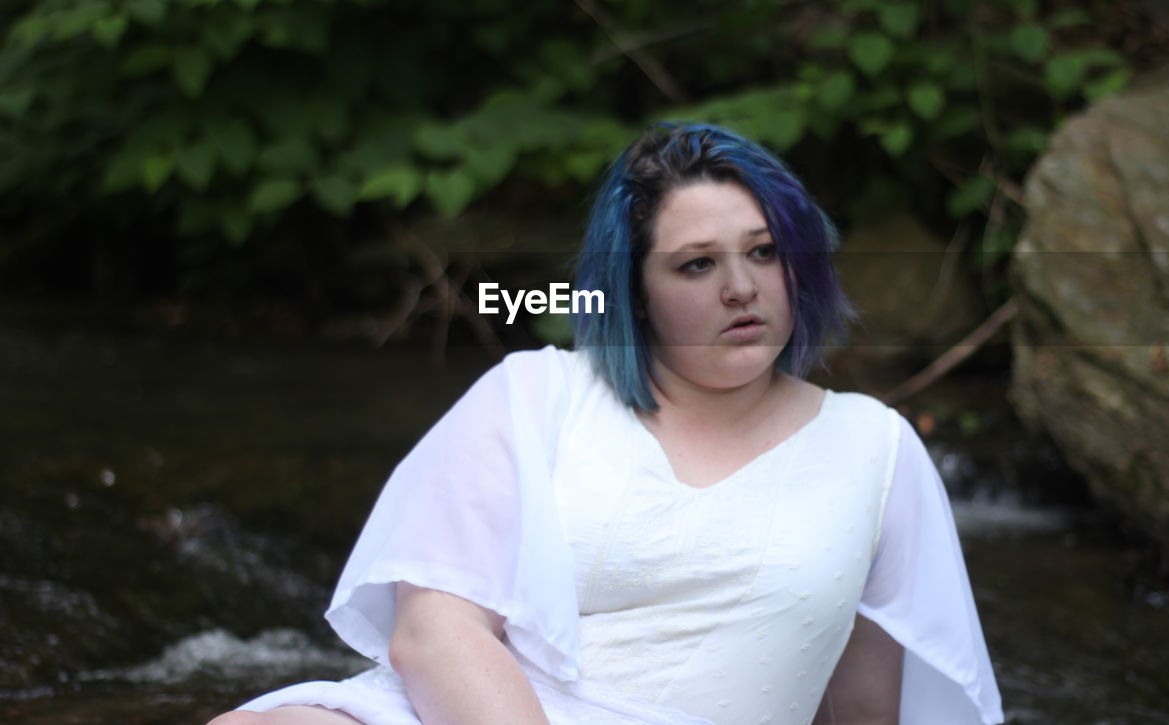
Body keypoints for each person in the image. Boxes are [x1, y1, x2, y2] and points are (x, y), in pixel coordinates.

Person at [209, 123, 1004, 725]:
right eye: (697, 264)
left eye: (764, 252)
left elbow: (864, 706)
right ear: (635, 291)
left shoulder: (876, 449)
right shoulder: (537, 392)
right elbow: (433, 632)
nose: (741, 287)